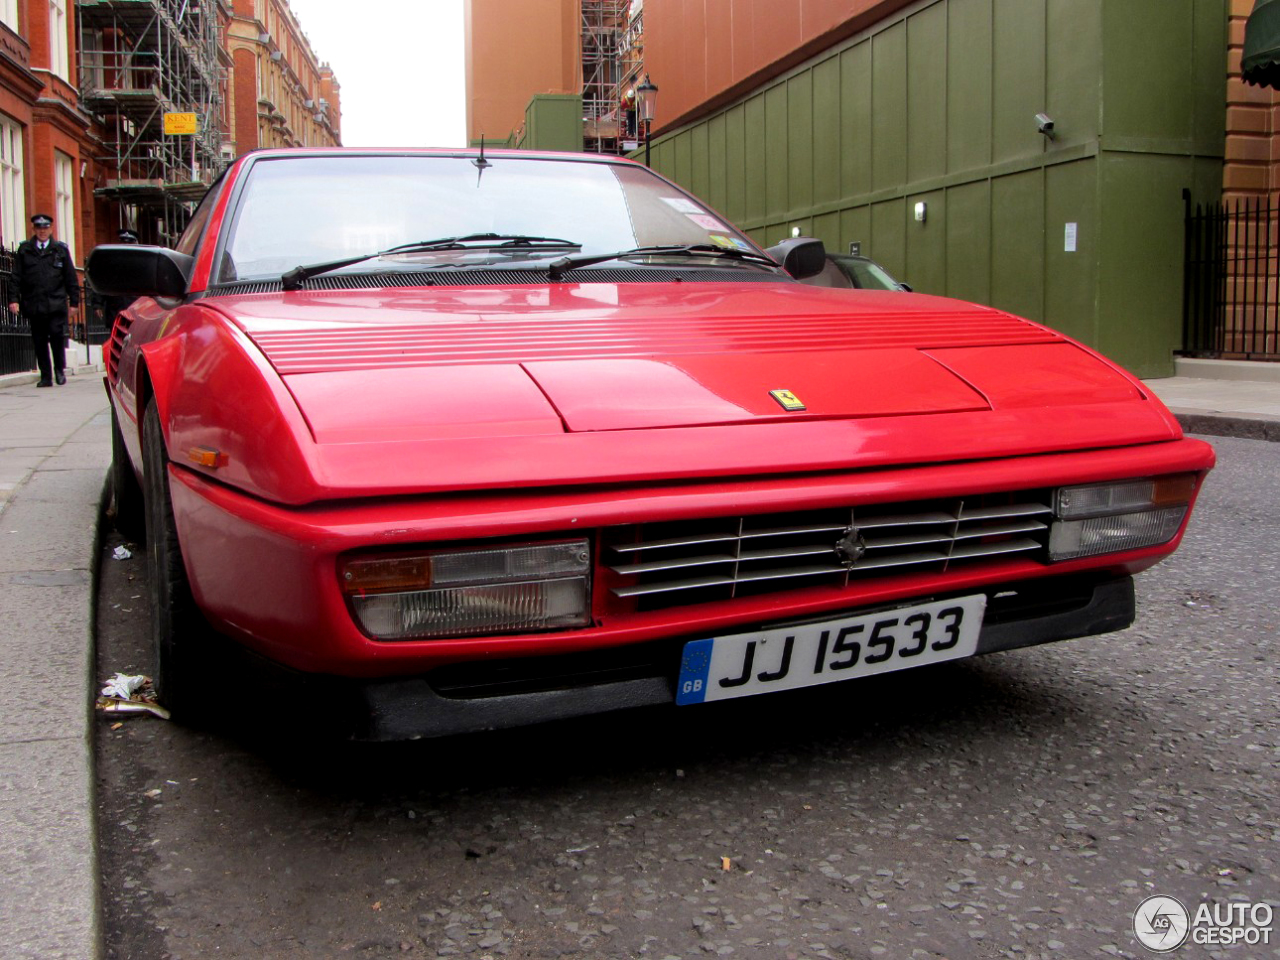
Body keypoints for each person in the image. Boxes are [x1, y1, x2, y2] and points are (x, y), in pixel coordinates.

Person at [8, 213, 80, 387]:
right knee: (39, 340)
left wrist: (75, 302)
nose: (42, 231)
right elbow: (16, 276)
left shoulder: (60, 250)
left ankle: (59, 370)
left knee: (57, 336)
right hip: (34, 303)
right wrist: (13, 299)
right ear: (34, 229)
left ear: (51, 229)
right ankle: (46, 375)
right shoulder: (25, 250)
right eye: (39, 228)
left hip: (56, 302)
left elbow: (70, 277)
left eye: (45, 228)